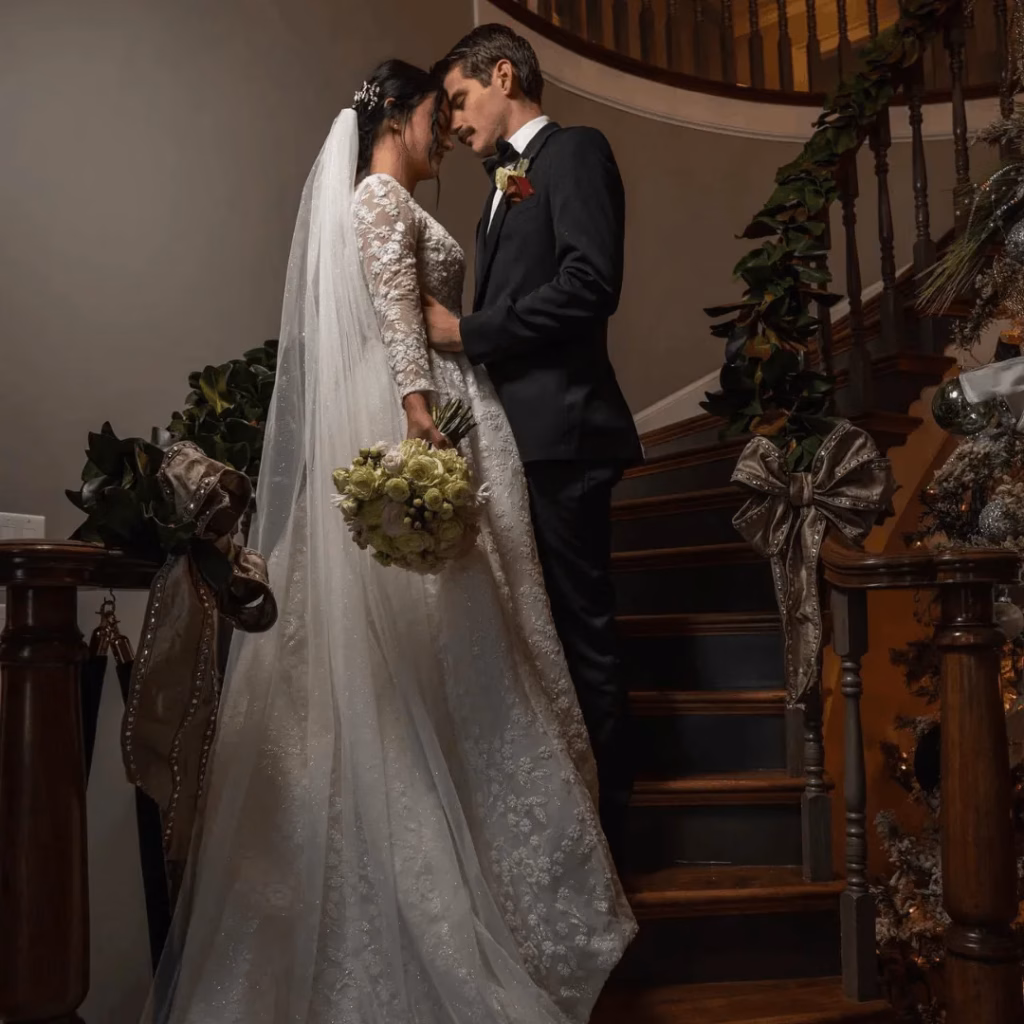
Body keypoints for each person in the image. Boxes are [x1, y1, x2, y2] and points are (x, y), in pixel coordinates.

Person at [143, 59, 635, 1024]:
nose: (447, 127)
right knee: (448, 650)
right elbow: (400, 318)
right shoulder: (376, 195)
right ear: (399, 115)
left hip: (477, 410)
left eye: (459, 105)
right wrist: (417, 408)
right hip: (431, 413)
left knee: (495, 645)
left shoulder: (527, 169)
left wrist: (448, 368)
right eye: (436, 110)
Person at [423, 25, 643, 866]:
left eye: (460, 99)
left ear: (503, 74)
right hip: (522, 440)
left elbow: (592, 284)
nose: (452, 121)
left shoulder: (576, 151)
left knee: (583, 634)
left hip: (566, 435)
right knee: (542, 636)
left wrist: (469, 331)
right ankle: (574, 829)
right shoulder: (504, 181)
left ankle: (613, 844)